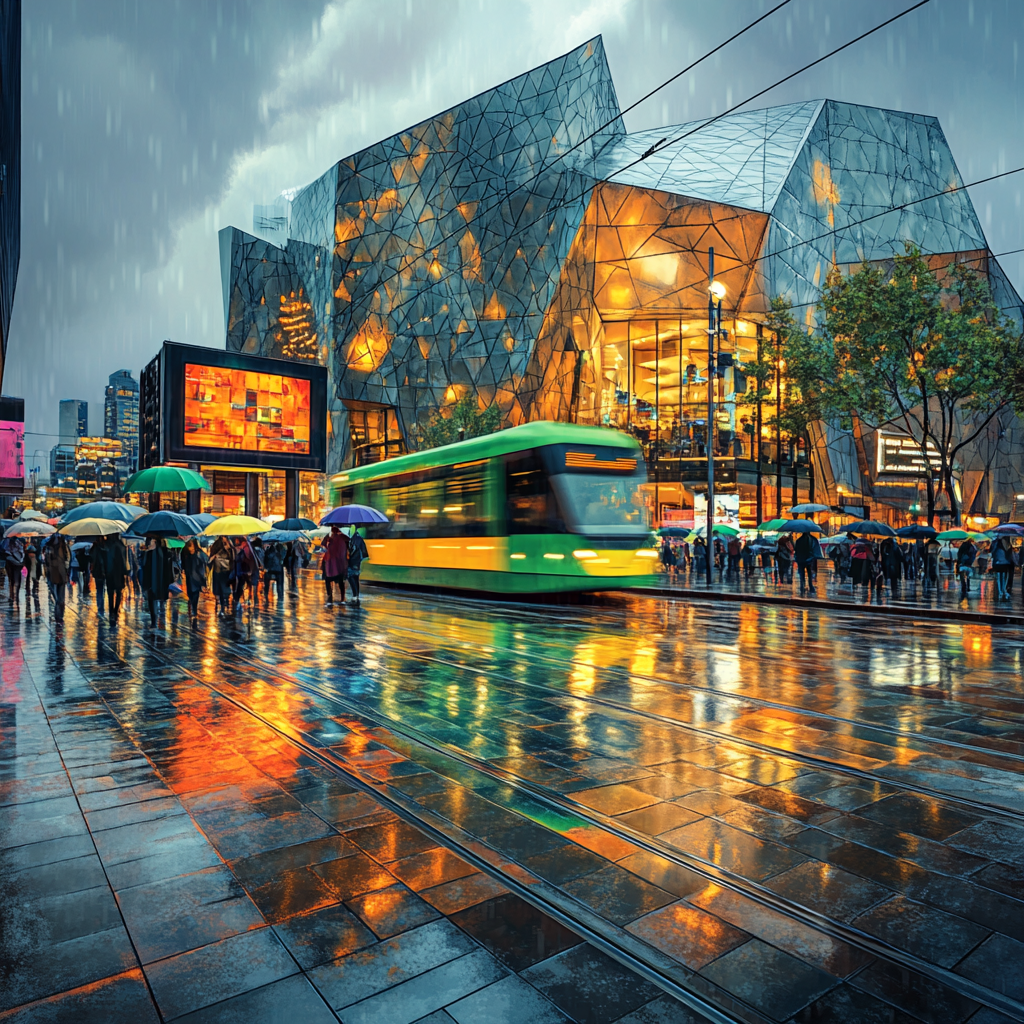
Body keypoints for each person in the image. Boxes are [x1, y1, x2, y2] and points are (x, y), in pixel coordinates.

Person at [140, 537, 174, 627]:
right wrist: (145, 552)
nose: (149, 543)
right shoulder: (149, 553)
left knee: (159, 599)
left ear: (155, 541)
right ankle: (154, 621)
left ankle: (158, 619)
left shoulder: (165, 552)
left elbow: (169, 566)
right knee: (152, 599)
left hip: (161, 580)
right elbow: (143, 565)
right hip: (151, 580)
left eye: (150, 541)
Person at [98, 535, 129, 618]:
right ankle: (115, 611)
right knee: (118, 592)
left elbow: (103, 559)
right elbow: (125, 560)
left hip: (110, 572)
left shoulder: (106, 545)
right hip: (119, 572)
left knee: (110, 593)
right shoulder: (121, 545)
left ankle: (112, 611)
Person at [180, 538, 208, 625]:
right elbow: (183, 563)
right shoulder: (185, 553)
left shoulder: (199, 553)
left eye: (192, 546)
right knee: (190, 593)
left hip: (197, 577)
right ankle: (192, 605)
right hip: (189, 576)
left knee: (196, 593)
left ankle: (194, 610)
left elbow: (206, 560)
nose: (191, 548)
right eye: (189, 546)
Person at [44, 534, 71, 619]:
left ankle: (58, 612)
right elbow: (68, 559)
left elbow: (45, 560)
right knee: (60, 596)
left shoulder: (48, 546)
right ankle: (60, 613)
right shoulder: (64, 546)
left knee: (56, 595)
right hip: (61, 573)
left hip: (53, 573)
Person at [230, 536, 260, 615]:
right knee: (243, 586)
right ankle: (244, 600)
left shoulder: (246, 548)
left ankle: (241, 600)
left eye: (237, 540)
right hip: (242, 571)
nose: (236, 541)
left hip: (244, 572)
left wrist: (249, 570)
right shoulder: (243, 548)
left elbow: (249, 559)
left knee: (242, 586)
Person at [322, 525, 349, 605]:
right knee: (341, 582)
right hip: (340, 565)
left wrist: (326, 538)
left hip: (331, 565)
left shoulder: (331, 540)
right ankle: (342, 598)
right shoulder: (343, 538)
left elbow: (324, 546)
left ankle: (330, 597)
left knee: (328, 581)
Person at [209, 536, 233, 616]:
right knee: (221, 589)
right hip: (221, 571)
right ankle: (222, 605)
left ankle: (223, 605)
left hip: (223, 571)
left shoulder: (229, 545)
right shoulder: (218, 545)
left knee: (222, 589)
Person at [347, 528, 369, 604]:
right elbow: (364, 551)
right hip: (357, 561)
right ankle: (356, 596)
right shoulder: (359, 538)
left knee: (350, 577)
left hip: (352, 561)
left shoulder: (354, 539)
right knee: (356, 578)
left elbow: (352, 550)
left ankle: (355, 596)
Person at [2, 532, 25, 604]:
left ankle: (15, 595)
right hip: (12, 562)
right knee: (12, 579)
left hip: (17, 562)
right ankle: (12, 595)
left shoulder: (18, 542)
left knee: (15, 579)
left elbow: (21, 552)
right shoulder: (6, 542)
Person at [991, 536, 1016, 600]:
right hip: (1006, 564)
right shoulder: (1008, 546)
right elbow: (1011, 556)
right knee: (1004, 578)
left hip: (998, 563)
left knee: (999, 578)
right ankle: (1004, 590)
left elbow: (993, 554)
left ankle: (1000, 592)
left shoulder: (996, 546)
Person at [91, 537, 109, 612]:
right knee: (102, 588)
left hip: (97, 571)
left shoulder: (94, 548)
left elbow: (91, 558)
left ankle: (100, 606)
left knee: (99, 589)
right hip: (104, 570)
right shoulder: (106, 546)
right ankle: (101, 606)